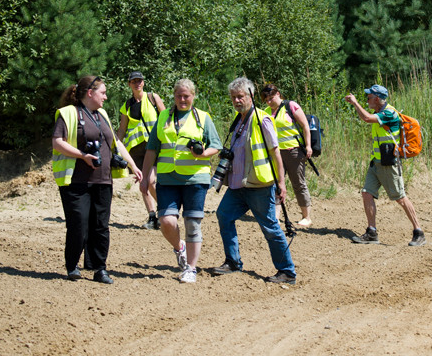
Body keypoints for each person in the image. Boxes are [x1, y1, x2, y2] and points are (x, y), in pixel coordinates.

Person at [52, 75, 143, 284]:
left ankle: (99, 268)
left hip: (102, 179)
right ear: (90, 93)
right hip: (76, 180)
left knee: (100, 226)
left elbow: (116, 142)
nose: (106, 96)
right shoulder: (68, 114)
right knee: (79, 224)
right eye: (103, 92)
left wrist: (133, 165)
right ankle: (72, 265)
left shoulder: (102, 114)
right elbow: (57, 142)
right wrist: (82, 155)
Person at [211, 77, 297, 285]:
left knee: (270, 227)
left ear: (250, 96)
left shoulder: (262, 119)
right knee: (223, 214)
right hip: (238, 185)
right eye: (233, 97)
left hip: (259, 184)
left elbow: (275, 153)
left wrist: (281, 184)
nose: (237, 101)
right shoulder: (238, 120)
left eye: (240, 96)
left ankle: (287, 272)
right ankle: (233, 262)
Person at [139, 79, 221, 283]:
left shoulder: (203, 117)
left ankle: (191, 269)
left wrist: (202, 154)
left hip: (195, 179)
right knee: (166, 221)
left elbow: (216, 146)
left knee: (192, 224)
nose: (182, 99)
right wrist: (144, 176)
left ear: (193, 96)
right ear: (173, 96)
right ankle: (179, 247)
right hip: (167, 178)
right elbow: (152, 149)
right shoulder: (164, 117)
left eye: (186, 96)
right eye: (179, 96)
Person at [344, 84, 426, 246]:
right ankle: (372, 232)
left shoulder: (389, 113)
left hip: (389, 164)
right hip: (376, 163)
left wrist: (355, 103)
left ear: (377, 98)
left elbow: (366, 118)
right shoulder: (379, 113)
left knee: (400, 198)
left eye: (369, 97)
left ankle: (419, 231)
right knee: (367, 193)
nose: (367, 99)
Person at [117, 71, 166, 230]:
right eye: (134, 81)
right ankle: (153, 217)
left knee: (150, 181)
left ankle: (166, 210)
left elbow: (166, 119)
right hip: (136, 150)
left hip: (153, 147)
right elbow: (122, 130)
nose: (137, 83)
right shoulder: (127, 105)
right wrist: (115, 146)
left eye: (140, 81)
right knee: (143, 182)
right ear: (129, 84)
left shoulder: (153, 98)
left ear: (143, 83)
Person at [260, 84, 313, 227]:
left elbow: (305, 126)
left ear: (278, 94)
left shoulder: (290, 106)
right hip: (276, 153)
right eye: (267, 100)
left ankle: (306, 217)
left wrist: (308, 146)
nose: (270, 102)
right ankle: (276, 216)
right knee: (277, 184)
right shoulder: (265, 112)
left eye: (271, 98)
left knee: (298, 184)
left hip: (294, 152)